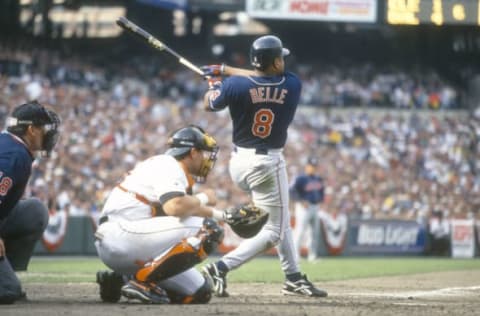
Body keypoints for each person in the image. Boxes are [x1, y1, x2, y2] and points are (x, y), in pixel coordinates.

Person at [200, 35, 327, 297]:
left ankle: (293, 278)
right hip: (267, 163)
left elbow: (210, 104)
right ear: (276, 61)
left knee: (281, 225)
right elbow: (262, 77)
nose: (284, 60)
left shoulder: (234, 86)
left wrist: (215, 82)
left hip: (239, 163)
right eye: (281, 57)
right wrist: (226, 71)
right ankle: (220, 268)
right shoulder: (292, 84)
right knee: (274, 232)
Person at [95, 125, 230, 304]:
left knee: (200, 292)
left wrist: (226, 216)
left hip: (129, 242)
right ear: (193, 152)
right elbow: (175, 207)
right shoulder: (169, 164)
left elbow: (185, 210)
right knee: (208, 229)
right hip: (122, 235)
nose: (207, 159)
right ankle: (142, 282)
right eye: (204, 153)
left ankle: (119, 280)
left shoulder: (166, 166)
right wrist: (205, 197)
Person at [0, 101, 61, 304]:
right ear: (32, 129)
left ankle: (5, 270)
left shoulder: (10, 145)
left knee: (34, 211)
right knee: (8, 291)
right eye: (45, 128)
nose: (49, 134)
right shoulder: (13, 154)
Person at [290, 157, 325, 262]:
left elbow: (322, 192)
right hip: (303, 207)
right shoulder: (300, 178)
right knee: (299, 231)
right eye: (311, 166)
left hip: (315, 207)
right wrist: (301, 201)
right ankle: (295, 256)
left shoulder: (318, 179)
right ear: (307, 166)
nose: (313, 168)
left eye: (314, 166)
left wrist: (320, 200)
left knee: (314, 233)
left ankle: (312, 256)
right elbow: (291, 191)